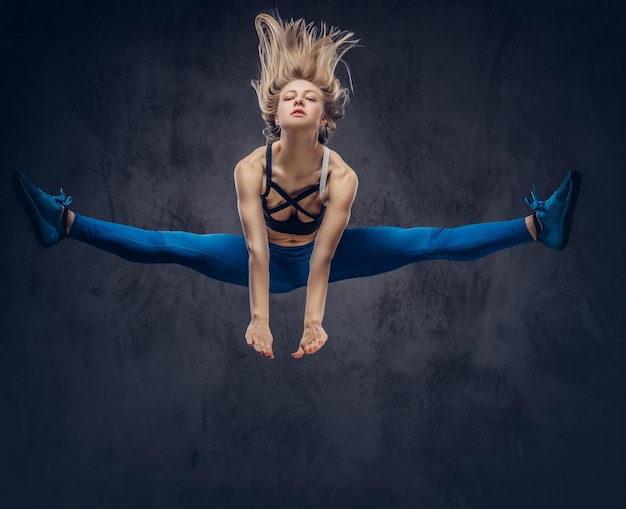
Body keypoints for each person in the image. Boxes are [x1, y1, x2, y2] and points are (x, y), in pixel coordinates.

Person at [12, 13, 582, 360]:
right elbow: (257, 250)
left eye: (310, 95)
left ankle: (538, 227)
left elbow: (327, 256)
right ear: (274, 113)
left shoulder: (344, 176)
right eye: (289, 95)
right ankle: (62, 224)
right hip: (263, 260)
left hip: (318, 258)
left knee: (427, 241)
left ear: (325, 117)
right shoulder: (249, 169)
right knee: (167, 244)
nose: (299, 98)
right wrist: (259, 319)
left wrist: (313, 322)